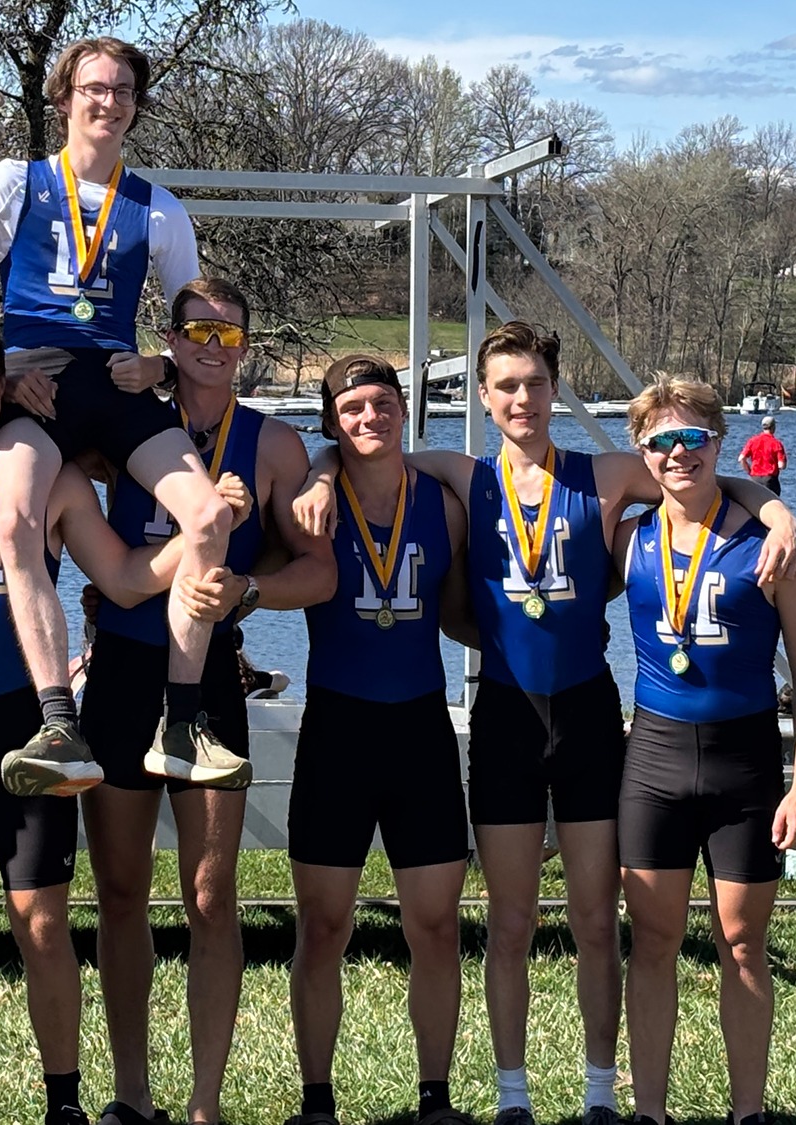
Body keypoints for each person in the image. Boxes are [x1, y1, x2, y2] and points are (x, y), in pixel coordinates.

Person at [291, 323, 796, 1125]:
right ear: (485, 399)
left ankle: (603, 1095)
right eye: (505, 386)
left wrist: (776, 513)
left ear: (555, 387)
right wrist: (321, 472)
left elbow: (701, 474)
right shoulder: (463, 475)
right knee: (511, 920)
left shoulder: (603, 477)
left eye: (534, 382)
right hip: (504, 716)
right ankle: (512, 1095)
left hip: (588, 713)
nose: (521, 398)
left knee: (599, 917)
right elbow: (355, 453)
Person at [0, 316, 215, 1125]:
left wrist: (200, 532)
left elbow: (126, 579)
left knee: (45, 921)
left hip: (34, 724)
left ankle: (64, 1101)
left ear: (8, 386)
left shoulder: (53, 479)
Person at [0, 36, 237, 798]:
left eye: (124, 91)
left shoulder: (160, 210)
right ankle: (59, 719)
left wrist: (163, 367)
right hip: (35, 389)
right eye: (94, 88)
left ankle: (181, 721)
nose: (108, 102)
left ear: (137, 105)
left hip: (115, 384)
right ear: (65, 97)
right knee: (14, 524)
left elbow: (198, 331)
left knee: (207, 518)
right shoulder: (11, 182)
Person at [83, 278, 333, 1125]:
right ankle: (130, 1091)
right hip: (120, 670)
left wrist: (250, 593)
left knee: (209, 894)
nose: (211, 346)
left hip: (212, 683)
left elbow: (320, 570)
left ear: (246, 348)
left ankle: (204, 1103)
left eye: (228, 336)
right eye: (196, 331)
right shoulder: (120, 420)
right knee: (119, 891)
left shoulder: (271, 446)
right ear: (169, 336)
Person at [614, 377, 796, 1125]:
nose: (679, 455)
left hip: (744, 762)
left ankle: (748, 1111)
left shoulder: (771, 546)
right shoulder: (627, 537)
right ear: (643, 455)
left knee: (742, 941)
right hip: (654, 760)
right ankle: (648, 1110)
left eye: (694, 439)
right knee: (653, 940)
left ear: (719, 441)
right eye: (662, 443)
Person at [286, 356, 477, 1125]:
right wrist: (320, 474)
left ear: (405, 411)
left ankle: (435, 1097)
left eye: (384, 403)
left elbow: (461, 614)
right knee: (324, 925)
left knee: (433, 924)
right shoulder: (309, 505)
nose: (372, 417)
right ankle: (317, 1101)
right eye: (354, 407)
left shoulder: (444, 503)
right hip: (337, 727)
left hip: (420, 728)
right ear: (333, 421)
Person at [737, 415, 787, 495]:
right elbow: (781, 465)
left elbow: (741, 458)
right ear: (773, 427)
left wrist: (749, 471)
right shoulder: (776, 443)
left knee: (754, 504)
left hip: (754, 479)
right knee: (771, 504)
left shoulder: (752, 441)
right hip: (769, 480)